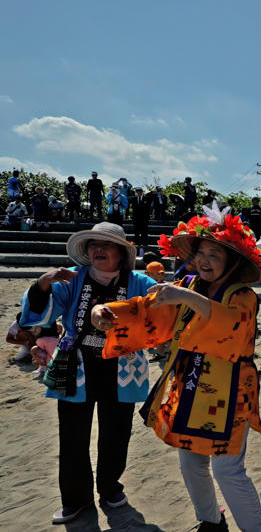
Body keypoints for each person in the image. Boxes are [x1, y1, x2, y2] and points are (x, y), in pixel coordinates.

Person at [97, 206, 261, 532]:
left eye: (214, 255)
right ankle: (211, 520)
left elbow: (234, 325)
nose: (204, 260)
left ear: (233, 263)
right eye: (201, 253)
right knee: (190, 461)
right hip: (189, 383)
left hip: (230, 390)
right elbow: (151, 309)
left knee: (227, 470)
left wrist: (185, 297)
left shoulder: (244, 297)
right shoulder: (187, 284)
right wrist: (110, 312)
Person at [19, 222, 156, 524]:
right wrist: (44, 281)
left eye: (106, 245)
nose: (98, 249)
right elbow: (39, 315)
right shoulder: (71, 279)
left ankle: (110, 487)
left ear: (122, 254)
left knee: (117, 432)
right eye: (94, 244)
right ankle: (77, 499)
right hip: (74, 363)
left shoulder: (139, 282)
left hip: (123, 366)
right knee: (72, 435)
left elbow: (161, 312)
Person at [130, 187, 150, 254]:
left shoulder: (146, 199)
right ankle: (137, 241)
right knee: (136, 230)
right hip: (136, 217)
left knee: (144, 230)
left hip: (144, 217)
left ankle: (144, 241)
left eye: (140, 191)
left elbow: (148, 208)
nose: (139, 193)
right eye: (137, 191)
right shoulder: (133, 199)